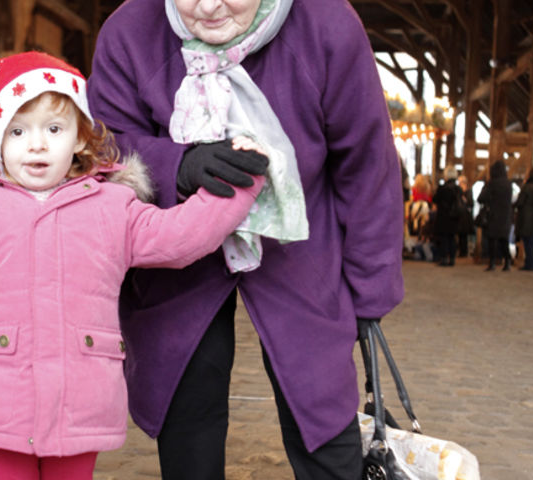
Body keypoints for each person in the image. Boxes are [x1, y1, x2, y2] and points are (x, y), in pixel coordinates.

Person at [0, 51, 266, 480]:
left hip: (80, 396)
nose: (37, 144)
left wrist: (238, 185)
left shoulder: (111, 207)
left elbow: (179, 238)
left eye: (54, 128)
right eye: (17, 131)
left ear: (81, 138)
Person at [88, 0, 405, 478]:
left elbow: (367, 163)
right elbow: (106, 145)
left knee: (320, 403)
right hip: (178, 253)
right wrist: (178, 165)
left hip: (300, 247)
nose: (209, 6)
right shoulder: (129, 31)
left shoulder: (328, 24)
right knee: (188, 401)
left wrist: (370, 293)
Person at [478, 159, 513, 271]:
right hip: (506, 215)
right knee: (504, 240)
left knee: (492, 239)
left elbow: (481, 198)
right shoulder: (508, 184)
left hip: (493, 214)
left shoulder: (492, 183)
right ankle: (507, 262)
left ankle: (492, 263)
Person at [432, 166, 462, 266]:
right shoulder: (458, 189)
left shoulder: (442, 188)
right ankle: (452, 259)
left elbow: (435, 199)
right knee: (452, 238)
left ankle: (444, 258)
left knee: (444, 238)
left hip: (443, 217)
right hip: (454, 217)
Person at [457, 175, 475, 257]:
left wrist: (464, 199)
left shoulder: (468, 192)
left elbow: (470, 204)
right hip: (460, 216)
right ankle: (461, 251)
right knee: (460, 235)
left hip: (466, 217)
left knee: (464, 235)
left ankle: (464, 252)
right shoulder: (458, 192)